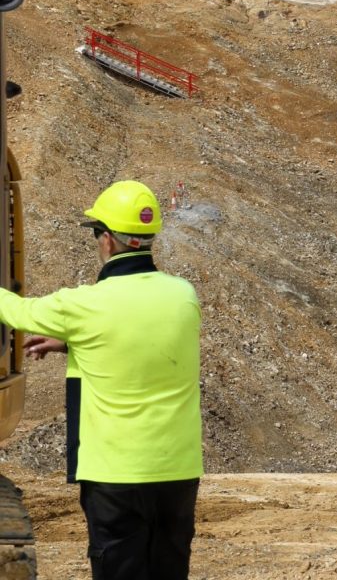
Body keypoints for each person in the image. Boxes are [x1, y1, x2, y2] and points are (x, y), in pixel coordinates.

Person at [0, 180, 202, 579]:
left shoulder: (82, 306)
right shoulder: (183, 296)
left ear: (107, 240)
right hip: (177, 472)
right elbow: (142, 343)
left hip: (115, 474)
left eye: (96, 233)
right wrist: (73, 345)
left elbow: (15, 310)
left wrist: (74, 336)